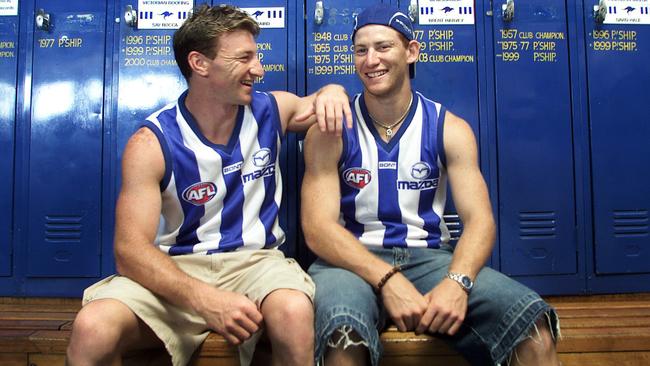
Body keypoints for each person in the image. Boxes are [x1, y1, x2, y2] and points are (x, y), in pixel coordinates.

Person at [66, 4, 351, 366]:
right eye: (244, 58)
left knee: (294, 313)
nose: (259, 70)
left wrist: (333, 89)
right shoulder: (152, 143)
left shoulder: (271, 111)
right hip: (180, 269)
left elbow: (322, 104)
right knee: (93, 328)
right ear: (200, 64)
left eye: (257, 56)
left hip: (257, 265)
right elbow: (130, 251)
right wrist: (205, 299)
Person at [301, 4, 561, 366]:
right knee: (344, 339)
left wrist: (458, 282)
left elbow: (480, 221)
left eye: (383, 47)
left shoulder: (449, 128)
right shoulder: (330, 131)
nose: (370, 60)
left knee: (533, 328)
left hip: (429, 261)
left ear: (411, 51)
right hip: (348, 264)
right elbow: (318, 230)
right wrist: (388, 279)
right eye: (361, 50)